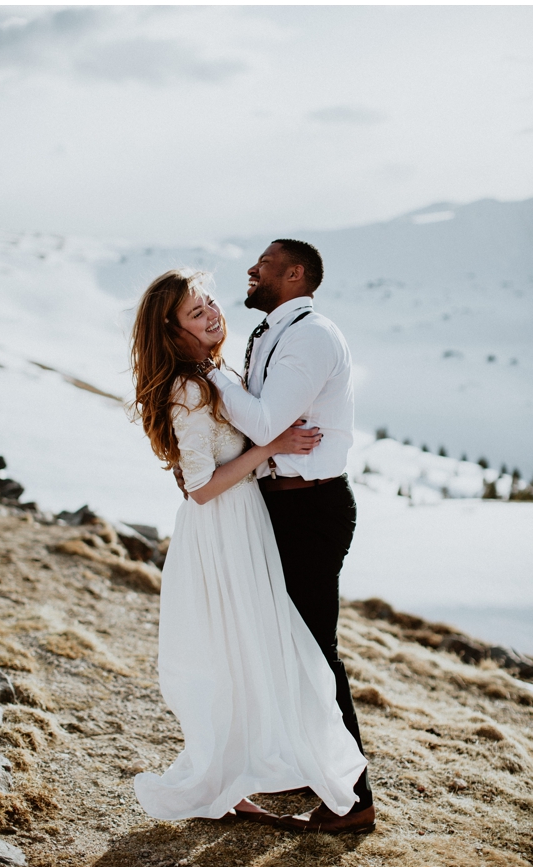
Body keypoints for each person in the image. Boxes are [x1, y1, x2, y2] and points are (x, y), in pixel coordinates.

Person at [128, 268, 367, 826]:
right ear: (170, 330)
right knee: (233, 654)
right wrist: (273, 445)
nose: (212, 313)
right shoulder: (189, 387)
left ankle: (245, 775)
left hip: (245, 521)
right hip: (222, 528)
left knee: (247, 653)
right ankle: (228, 779)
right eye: (195, 312)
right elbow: (200, 487)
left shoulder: (211, 372)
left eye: (209, 301)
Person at [202, 239, 375, 834]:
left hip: (310, 509)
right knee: (283, 647)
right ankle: (309, 770)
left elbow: (268, 422)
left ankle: (355, 800)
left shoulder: (311, 335)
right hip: (279, 507)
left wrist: (214, 378)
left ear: (295, 274)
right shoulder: (273, 332)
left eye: (265, 264)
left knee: (314, 655)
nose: (251, 270)